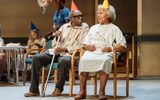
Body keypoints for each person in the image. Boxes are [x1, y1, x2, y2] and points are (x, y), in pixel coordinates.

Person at [24, 10, 89, 97]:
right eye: (77, 16)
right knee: (36, 58)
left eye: (81, 16)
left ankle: (58, 88)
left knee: (65, 60)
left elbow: (82, 45)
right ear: (71, 19)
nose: (80, 18)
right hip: (55, 52)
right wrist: (57, 37)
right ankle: (34, 89)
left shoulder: (84, 27)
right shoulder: (64, 27)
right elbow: (54, 43)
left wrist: (65, 49)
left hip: (69, 54)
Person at [74, 4, 127, 100]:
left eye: (101, 13)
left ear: (108, 15)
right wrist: (88, 46)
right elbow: (85, 43)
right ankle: (82, 91)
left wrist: (110, 48)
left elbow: (123, 46)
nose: (98, 15)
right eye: (97, 13)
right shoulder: (93, 28)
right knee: (83, 60)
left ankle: (101, 92)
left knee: (104, 60)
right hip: (92, 52)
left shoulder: (114, 28)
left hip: (106, 53)